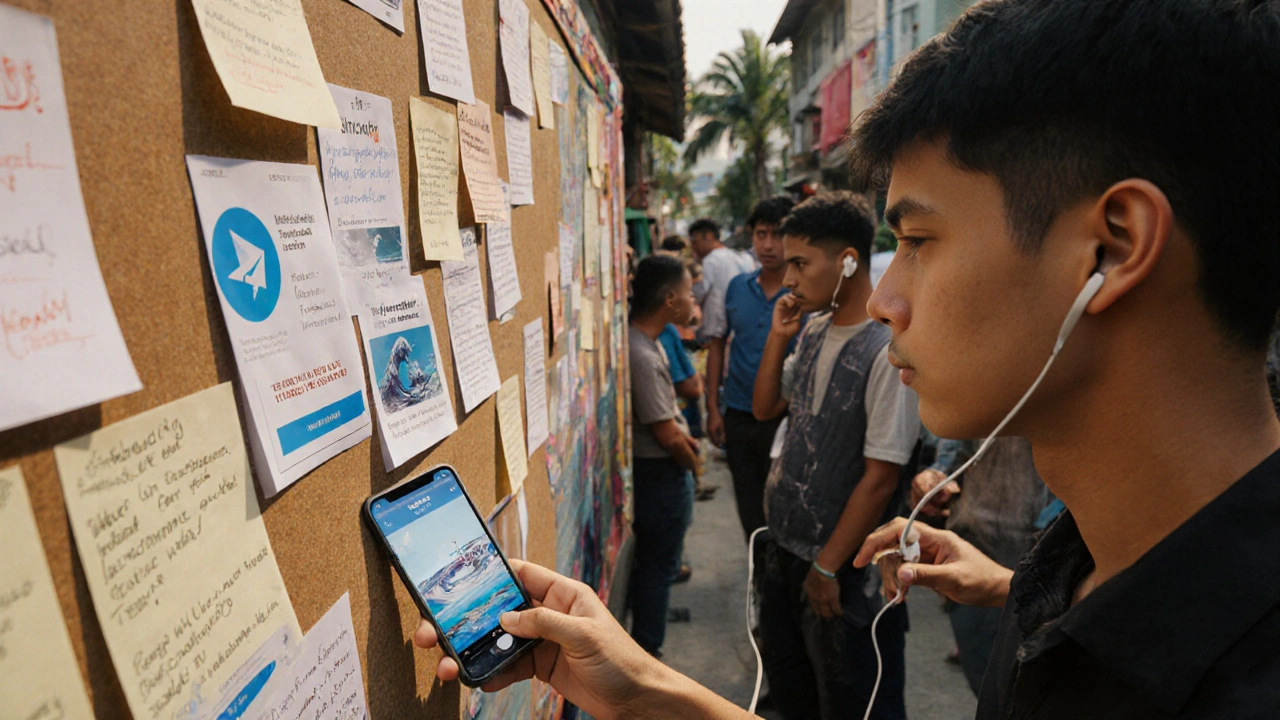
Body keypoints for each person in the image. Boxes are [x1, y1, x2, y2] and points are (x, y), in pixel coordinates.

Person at [411, 2, 1280, 718]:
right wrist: (642, 687)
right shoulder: (1076, 564)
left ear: (1113, 249)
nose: (891, 297)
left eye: (920, 238)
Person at [751, 193, 919, 720]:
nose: (789, 279)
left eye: (800, 263)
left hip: (844, 568)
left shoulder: (888, 351)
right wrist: (779, 338)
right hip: (784, 548)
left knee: (855, 699)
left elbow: (879, 476)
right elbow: (765, 408)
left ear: (848, 260)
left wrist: (827, 568)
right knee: (793, 686)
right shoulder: (816, 328)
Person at [911, 437, 1049, 694]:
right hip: (976, 533)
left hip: (1037, 540)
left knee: (1018, 682)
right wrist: (938, 474)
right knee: (986, 670)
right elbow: (957, 439)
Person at [620, 255, 701, 657]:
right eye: (688, 292)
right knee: (658, 567)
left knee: (657, 564)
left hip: (662, 475)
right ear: (670, 299)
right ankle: (647, 650)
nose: (692, 300)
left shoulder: (647, 342)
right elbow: (668, 436)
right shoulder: (642, 353)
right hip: (660, 475)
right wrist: (694, 463)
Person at [702, 197, 796, 541]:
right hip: (739, 415)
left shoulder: (805, 293)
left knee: (785, 509)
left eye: (778, 234)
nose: (769, 245)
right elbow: (716, 344)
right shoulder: (736, 288)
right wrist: (713, 408)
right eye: (761, 234)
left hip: (788, 418)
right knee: (749, 508)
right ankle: (760, 581)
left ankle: (783, 584)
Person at [688, 218, 756, 339]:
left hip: (717, 330)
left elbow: (699, 292)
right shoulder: (741, 257)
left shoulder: (711, 260)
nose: (693, 247)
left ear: (709, 236)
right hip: (741, 326)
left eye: (694, 241)